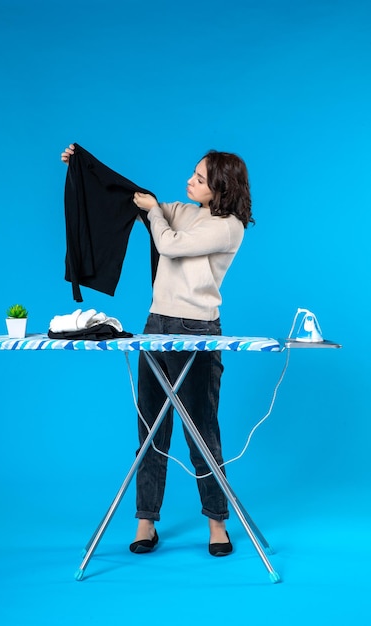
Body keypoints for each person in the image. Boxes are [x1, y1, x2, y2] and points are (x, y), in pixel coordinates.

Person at [61, 144, 254, 556]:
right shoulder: (185, 212)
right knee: (150, 430)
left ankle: (217, 524)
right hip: (156, 325)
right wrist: (85, 165)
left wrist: (153, 213)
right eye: (194, 173)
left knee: (201, 431)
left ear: (219, 188)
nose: (190, 180)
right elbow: (139, 199)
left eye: (200, 179)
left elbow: (167, 244)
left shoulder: (228, 226)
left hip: (197, 330)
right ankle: (145, 521)